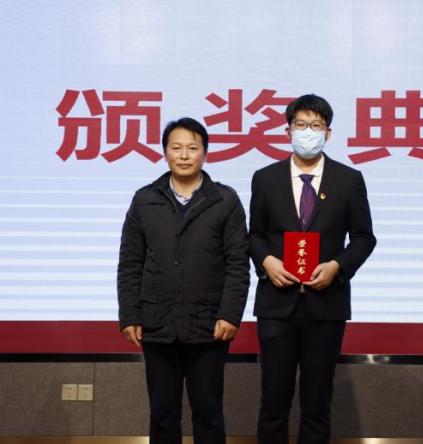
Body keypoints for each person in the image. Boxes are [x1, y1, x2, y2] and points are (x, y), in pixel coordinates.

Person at [249, 94, 376, 444]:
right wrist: (267, 262)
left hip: (326, 305)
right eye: (301, 125)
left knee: (317, 404)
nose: (308, 132)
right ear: (287, 130)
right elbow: (254, 235)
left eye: (316, 126)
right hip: (277, 305)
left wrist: (337, 266)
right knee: (273, 402)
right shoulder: (265, 178)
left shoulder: (349, 180)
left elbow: (364, 238)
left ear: (328, 133)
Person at [117, 117, 250, 444]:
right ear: (165, 152)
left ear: (205, 152)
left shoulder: (225, 201)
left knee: (208, 411)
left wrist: (230, 314)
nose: (184, 155)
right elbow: (130, 262)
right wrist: (130, 315)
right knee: (162, 413)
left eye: (193, 148)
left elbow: (237, 263)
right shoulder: (145, 199)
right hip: (157, 322)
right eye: (176, 148)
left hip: (209, 325)